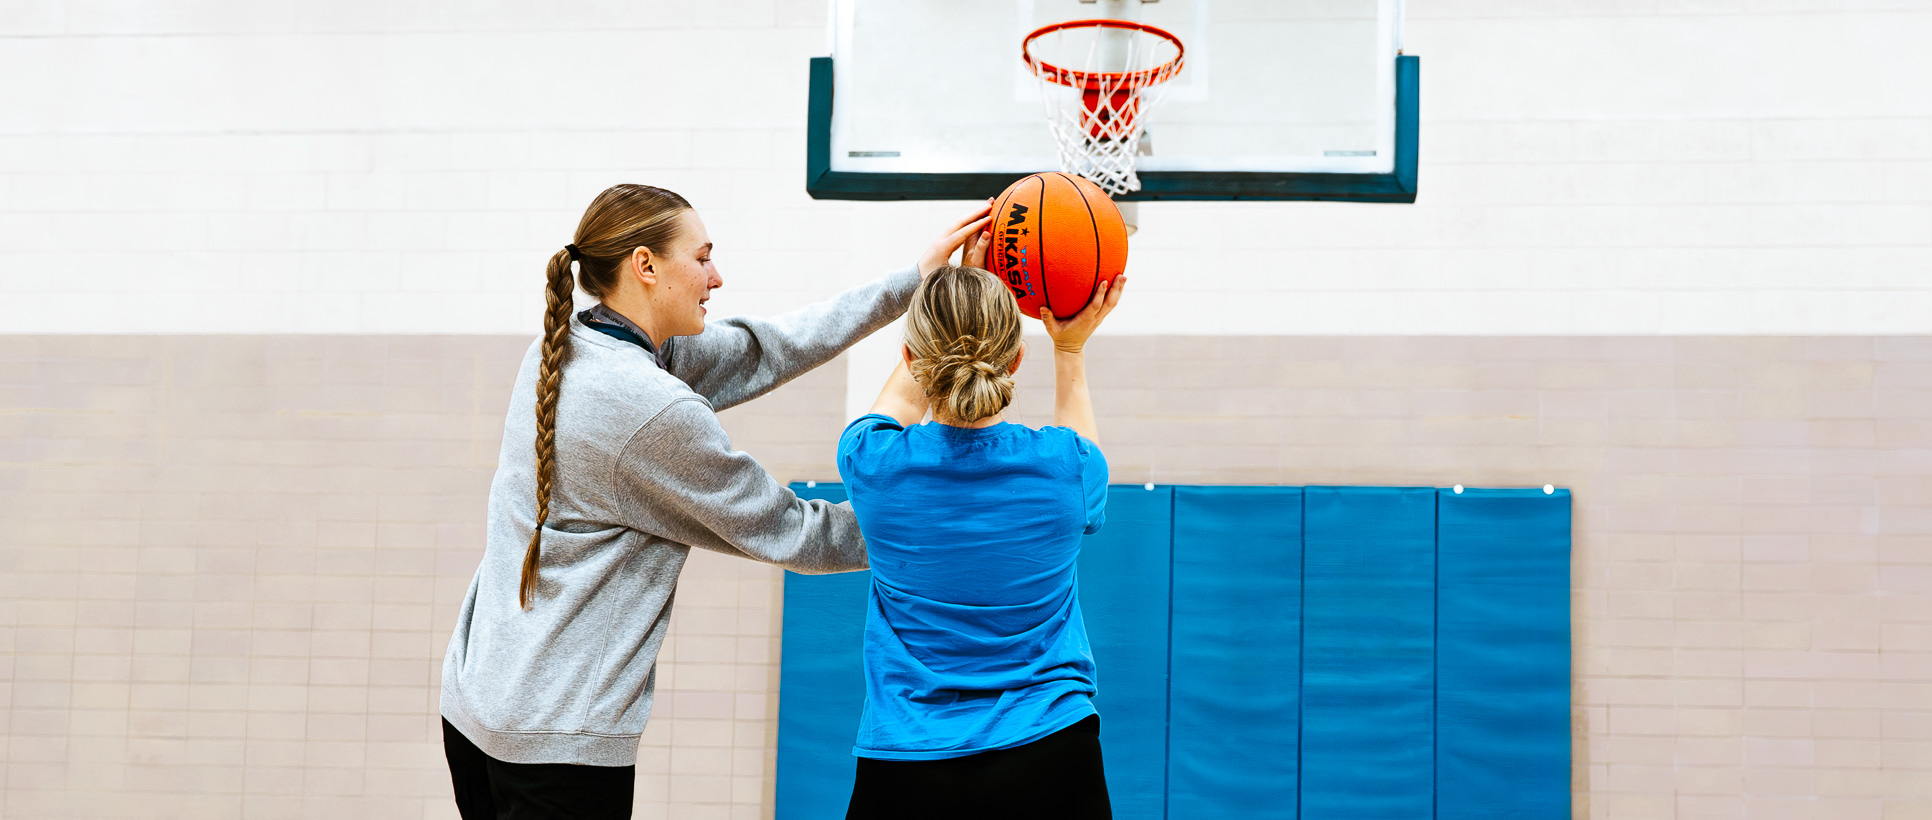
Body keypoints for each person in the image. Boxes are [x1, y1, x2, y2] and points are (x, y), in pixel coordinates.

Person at [439, 183, 991, 820]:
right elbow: (793, 531)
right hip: (555, 746)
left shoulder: (564, 347)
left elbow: (769, 348)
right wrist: (942, 528)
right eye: (702, 258)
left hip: (479, 703)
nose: (717, 276)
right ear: (645, 265)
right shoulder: (650, 410)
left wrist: (912, 284)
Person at [836, 263, 1127, 819]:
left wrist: (944, 288)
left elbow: (896, 404)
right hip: (1051, 752)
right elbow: (1086, 448)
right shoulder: (1069, 468)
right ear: (1016, 360)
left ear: (911, 360)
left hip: (908, 762)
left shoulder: (871, 464)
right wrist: (1069, 349)